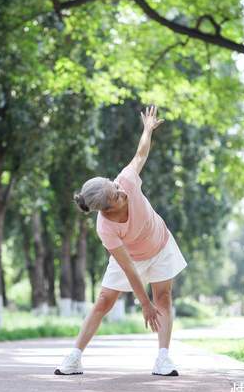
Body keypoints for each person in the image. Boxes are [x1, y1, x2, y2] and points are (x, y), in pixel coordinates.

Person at [55, 105, 187, 377]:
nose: (121, 192)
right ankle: (74, 356)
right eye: (116, 196)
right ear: (106, 209)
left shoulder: (126, 180)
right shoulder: (105, 228)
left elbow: (140, 154)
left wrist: (147, 129)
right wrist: (144, 304)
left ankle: (163, 358)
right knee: (104, 300)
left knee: (163, 297)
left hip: (160, 245)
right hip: (131, 256)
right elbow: (128, 269)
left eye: (115, 186)